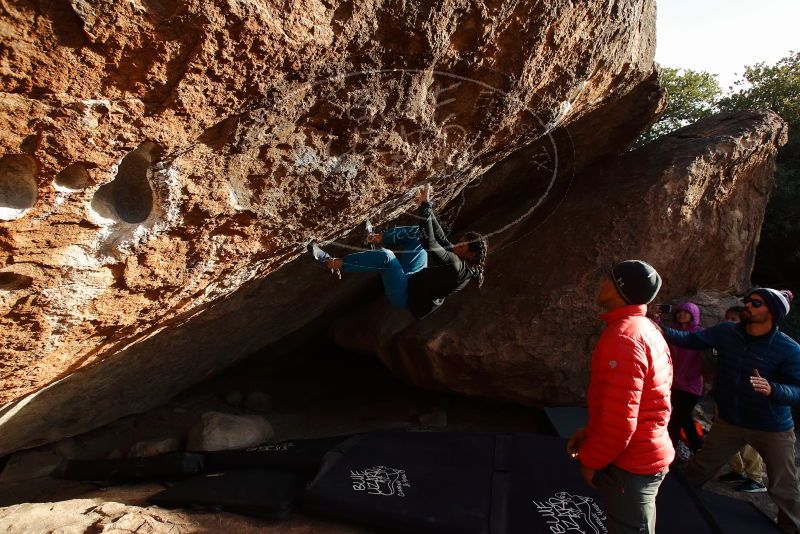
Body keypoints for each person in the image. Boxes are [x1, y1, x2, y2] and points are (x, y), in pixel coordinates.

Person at [659, 288, 800, 533]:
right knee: (697, 469)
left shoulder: (789, 349)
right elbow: (691, 340)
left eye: (756, 303)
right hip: (729, 421)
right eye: (748, 301)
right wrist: (659, 330)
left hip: (771, 427)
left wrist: (774, 389)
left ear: (773, 313)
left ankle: (791, 528)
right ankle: (669, 511)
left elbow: (797, 390)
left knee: (784, 487)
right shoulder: (727, 332)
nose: (748, 305)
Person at [567, 260, 673, 534]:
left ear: (619, 289)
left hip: (632, 465)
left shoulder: (624, 338)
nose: (601, 284)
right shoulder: (646, 329)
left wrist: (591, 460)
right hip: (644, 454)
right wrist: (591, 431)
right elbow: (627, 405)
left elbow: (622, 423)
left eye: (608, 279)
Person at [308, 184, 487, 319]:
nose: (456, 246)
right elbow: (441, 237)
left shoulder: (458, 268)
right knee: (418, 233)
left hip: (405, 294)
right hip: (414, 276)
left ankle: (332, 263)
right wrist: (428, 206)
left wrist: (424, 207)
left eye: (462, 246)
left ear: (471, 255)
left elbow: (431, 242)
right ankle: (373, 238)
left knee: (387, 257)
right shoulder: (460, 260)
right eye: (460, 242)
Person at [715, 305, 767, 492]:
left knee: (748, 441)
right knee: (727, 438)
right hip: (725, 395)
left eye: (734, 319)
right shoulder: (725, 340)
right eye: (727, 318)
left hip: (747, 399)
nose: (729, 322)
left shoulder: (755, 343)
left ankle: (755, 477)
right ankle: (737, 470)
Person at [666, 302, 705, 457]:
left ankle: (669, 453)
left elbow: (705, 359)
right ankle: (697, 448)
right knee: (685, 419)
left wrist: (694, 374)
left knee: (675, 421)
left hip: (691, 385)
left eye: (686, 312)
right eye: (679, 311)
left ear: (693, 315)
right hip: (674, 383)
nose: (682, 314)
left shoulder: (700, 333)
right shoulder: (673, 331)